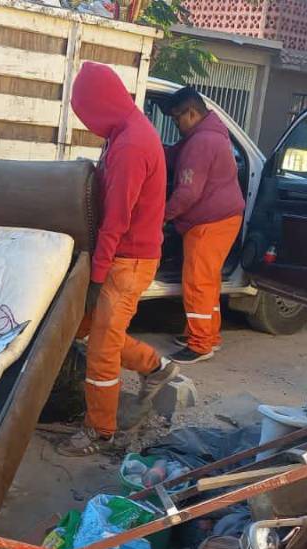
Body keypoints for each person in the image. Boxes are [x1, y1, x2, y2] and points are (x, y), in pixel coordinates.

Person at [58, 62, 181, 457]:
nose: (87, 122)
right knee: (93, 331)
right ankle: (157, 367)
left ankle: (100, 431)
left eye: (86, 113)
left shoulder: (131, 145)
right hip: (123, 256)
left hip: (128, 262)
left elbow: (116, 220)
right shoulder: (122, 132)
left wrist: (97, 275)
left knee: (102, 349)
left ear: (101, 104)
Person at [161, 86, 245, 364]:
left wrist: (163, 216)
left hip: (209, 222)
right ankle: (209, 334)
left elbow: (187, 193)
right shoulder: (208, 134)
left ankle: (200, 344)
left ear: (191, 113)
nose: (176, 124)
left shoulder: (201, 142)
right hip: (222, 218)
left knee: (197, 282)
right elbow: (172, 155)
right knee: (208, 281)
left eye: (177, 118)